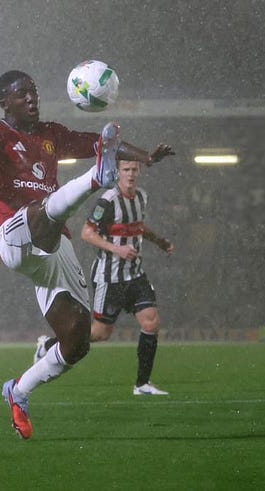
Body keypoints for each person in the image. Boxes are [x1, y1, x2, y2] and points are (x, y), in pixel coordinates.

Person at [0, 69, 173, 440]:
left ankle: (18, 390)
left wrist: (145, 156)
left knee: (78, 340)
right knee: (42, 209)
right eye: (22, 94)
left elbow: (104, 143)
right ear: (5, 102)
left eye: (33, 92)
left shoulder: (52, 134)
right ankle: (96, 179)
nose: (32, 99)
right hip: (14, 235)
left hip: (54, 245)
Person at [79, 158, 175, 395]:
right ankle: (50, 345)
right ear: (118, 173)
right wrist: (117, 249)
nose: (130, 174)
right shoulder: (108, 200)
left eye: (134, 169)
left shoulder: (141, 197)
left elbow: (138, 226)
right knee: (100, 334)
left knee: (151, 322)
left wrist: (160, 241)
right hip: (109, 277)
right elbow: (86, 233)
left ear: (139, 172)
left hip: (135, 274)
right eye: (126, 170)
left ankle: (142, 384)